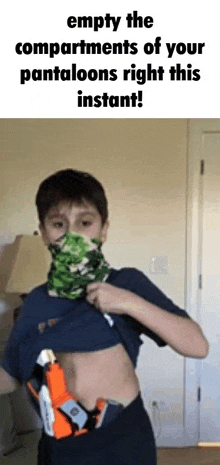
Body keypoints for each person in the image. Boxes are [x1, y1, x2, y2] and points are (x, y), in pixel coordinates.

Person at [2, 169, 209, 465]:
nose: (72, 235)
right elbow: (11, 373)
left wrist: (128, 302)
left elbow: (197, 346)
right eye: (58, 224)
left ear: (103, 229)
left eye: (85, 223)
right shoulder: (36, 300)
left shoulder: (126, 282)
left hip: (120, 440)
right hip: (58, 445)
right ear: (44, 232)